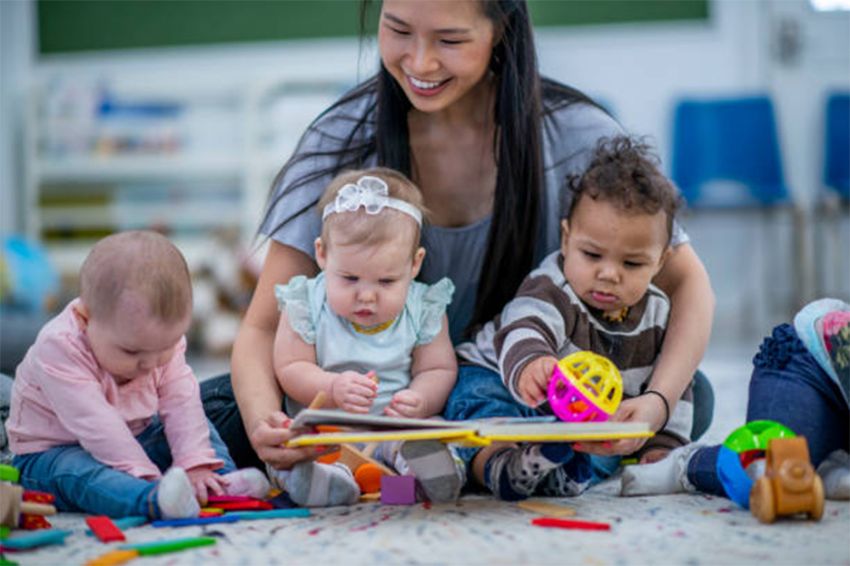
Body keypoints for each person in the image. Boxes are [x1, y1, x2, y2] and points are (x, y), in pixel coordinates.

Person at [201, 0, 714, 475]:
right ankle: (485, 457)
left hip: (511, 384)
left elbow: (688, 284)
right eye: (398, 30)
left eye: (449, 40)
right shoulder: (341, 139)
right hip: (373, 402)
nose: (420, 63)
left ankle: (483, 453)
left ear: (501, 30)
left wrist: (660, 401)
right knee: (213, 413)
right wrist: (264, 420)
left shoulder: (576, 136)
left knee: (690, 394)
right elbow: (263, 327)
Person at [451, 136, 692, 500]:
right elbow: (524, 324)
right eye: (592, 255)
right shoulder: (552, 286)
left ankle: (558, 471)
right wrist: (532, 362)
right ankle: (499, 465)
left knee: (612, 442)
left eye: (632, 263)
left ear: (660, 261)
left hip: (574, 419)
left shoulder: (658, 313)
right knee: (480, 404)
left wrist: (660, 445)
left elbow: (673, 387)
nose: (609, 274)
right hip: (504, 383)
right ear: (566, 240)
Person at [6, 231, 269, 519]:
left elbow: (181, 402)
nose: (151, 364)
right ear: (85, 319)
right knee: (82, 474)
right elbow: (98, 425)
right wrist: (145, 476)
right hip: (50, 455)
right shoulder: (58, 347)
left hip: (134, 434)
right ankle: (152, 499)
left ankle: (221, 482)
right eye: (132, 353)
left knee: (195, 421)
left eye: (166, 348)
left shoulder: (155, 345)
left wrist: (195, 463)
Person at [267, 167, 463, 506]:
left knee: (427, 432)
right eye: (350, 278)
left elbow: (438, 369)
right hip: (330, 430)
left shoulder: (423, 306)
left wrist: (419, 399)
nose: (367, 296)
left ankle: (427, 475)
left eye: (386, 282)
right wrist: (331, 388)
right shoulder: (306, 302)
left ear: (414, 264)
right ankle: (328, 484)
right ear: (322, 255)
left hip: (392, 428)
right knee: (295, 445)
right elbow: (290, 366)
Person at [620, 298, 849, 501]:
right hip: (809, 366)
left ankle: (825, 462)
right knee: (767, 464)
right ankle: (686, 465)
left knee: (790, 467)